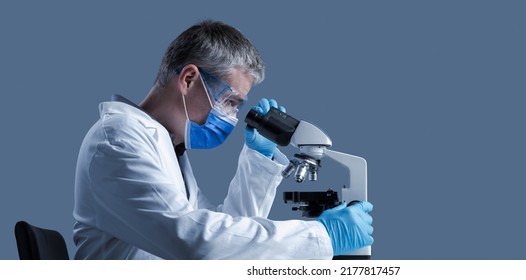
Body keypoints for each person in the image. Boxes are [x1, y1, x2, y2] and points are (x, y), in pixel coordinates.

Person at [72, 20, 374, 259]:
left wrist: (258, 162)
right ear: (188, 79)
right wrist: (322, 236)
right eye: (230, 101)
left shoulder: (165, 147)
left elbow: (225, 242)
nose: (232, 117)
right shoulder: (119, 139)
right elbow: (195, 243)